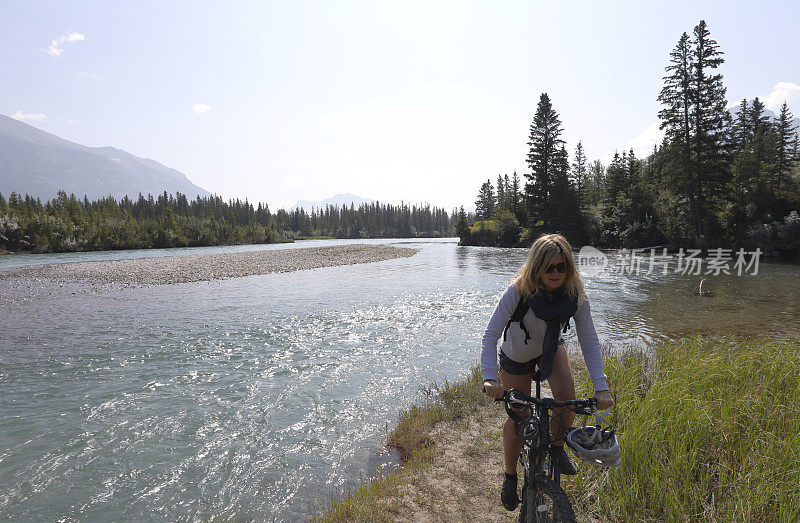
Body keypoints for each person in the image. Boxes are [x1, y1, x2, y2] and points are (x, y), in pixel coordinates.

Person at [481, 233, 614, 511]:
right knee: (519, 416)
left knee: (567, 401)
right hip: (516, 354)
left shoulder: (575, 296)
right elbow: (490, 335)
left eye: (561, 266)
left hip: (550, 348)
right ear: (535, 267)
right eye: (548, 266)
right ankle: (510, 476)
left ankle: (555, 448)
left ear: (569, 267)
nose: (555, 272)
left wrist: (601, 387)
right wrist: (490, 378)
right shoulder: (517, 292)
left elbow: (589, 340)